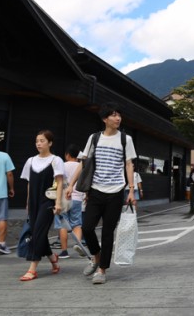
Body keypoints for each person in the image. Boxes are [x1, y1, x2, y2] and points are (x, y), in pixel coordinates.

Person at [67, 102, 137, 285]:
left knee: (107, 233)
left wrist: (131, 189)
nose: (118, 118)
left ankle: (102, 270)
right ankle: (96, 257)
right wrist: (70, 185)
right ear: (105, 119)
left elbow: (129, 164)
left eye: (119, 115)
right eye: (114, 115)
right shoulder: (94, 138)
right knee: (87, 227)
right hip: (96, 190)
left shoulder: (125, 139)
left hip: (116, 192)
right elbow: (83, 163)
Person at [19, 130, 64, 281]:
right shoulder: (30, 161)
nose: (39, 143)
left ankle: (32, 269)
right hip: (33, 202)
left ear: (50, 143)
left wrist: (58, 203)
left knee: (37, 232)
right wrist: (27, 201)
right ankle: (53, 259)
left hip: (48, 201)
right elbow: (29, 183)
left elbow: (59, 183)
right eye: (37, 140)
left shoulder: (55, 160)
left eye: (42, 140)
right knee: (37, 231)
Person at [54, 144, 84, 259]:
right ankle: (78, 245)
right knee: (77, 223)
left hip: (63, 198)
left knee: (63, 224)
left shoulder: (62, 166)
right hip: (77, 198)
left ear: (67, 155)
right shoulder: (81, 166)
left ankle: (64, 251)